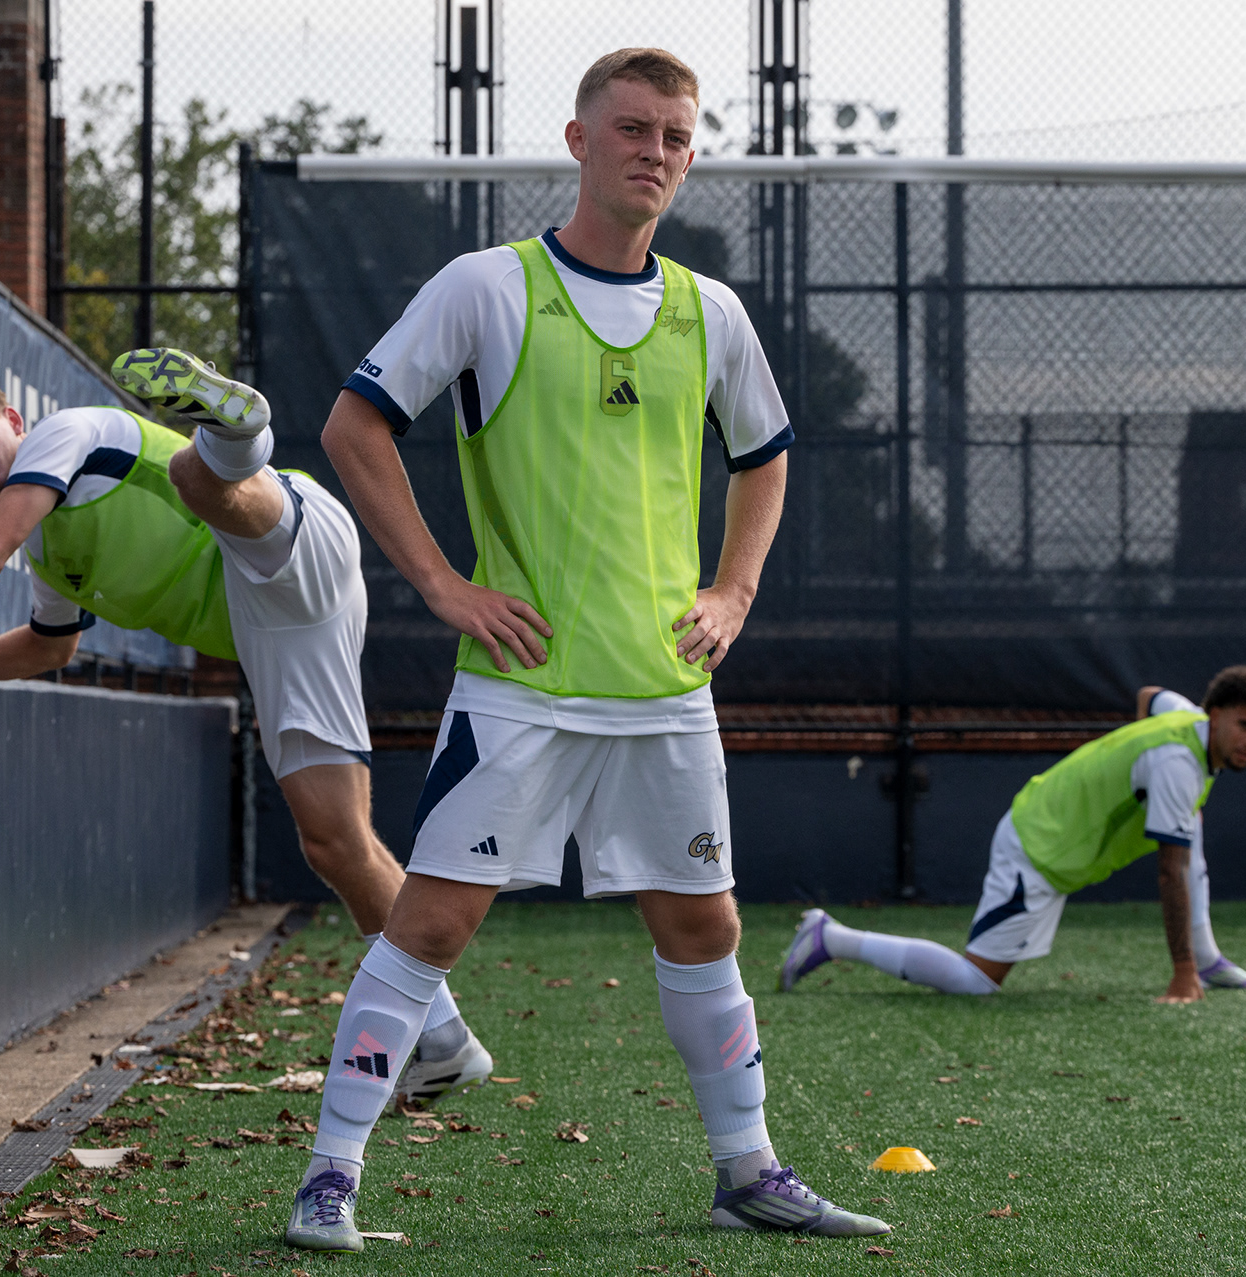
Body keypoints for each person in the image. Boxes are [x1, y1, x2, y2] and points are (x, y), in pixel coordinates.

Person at [281, 47, 889, 1254]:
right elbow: (354, 425)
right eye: (630, 128)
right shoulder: (487, 286)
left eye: (672, 136)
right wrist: (445, 584)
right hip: (522, 687)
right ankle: (329, 1174)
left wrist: (734, 588)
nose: (651, 151)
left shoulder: (712, 312)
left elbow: (764, 457)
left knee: (704, 927)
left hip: (664, 690)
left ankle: (747, 1169)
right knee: (432, 925)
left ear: (690, 155)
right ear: (577, 138)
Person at [0, 354, 491, 1106]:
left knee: (202, 480)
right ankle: (445, 1041)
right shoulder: (51, 553)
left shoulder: (66, 435)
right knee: (334, 842)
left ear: (15, 423)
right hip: (289, 626)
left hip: (287, 528)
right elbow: (49, 645)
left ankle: (236, 434)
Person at [780, 665, 1246, 1003]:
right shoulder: (1180, 765)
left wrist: (1128, 760)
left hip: (1050, 823)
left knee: (1190, 831)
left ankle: (1209, 962)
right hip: (1040, 852)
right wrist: (1177, 971)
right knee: (976, 981)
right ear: (1217, 714)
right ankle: (832, 937)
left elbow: (1149, 696)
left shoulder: (1184, 716)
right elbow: (1169, 870)